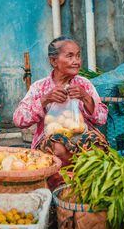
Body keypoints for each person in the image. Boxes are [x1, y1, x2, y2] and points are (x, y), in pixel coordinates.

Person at [13, 36, 108, 167]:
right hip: (51, 142)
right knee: (59, 147)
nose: (76, 61)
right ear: (53, 61)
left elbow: (102, 119)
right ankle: (65, 179)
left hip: (82, 138)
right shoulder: (40, 87)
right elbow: (19, 119)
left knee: (98, 146)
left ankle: (84, 177)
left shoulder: (84, 85)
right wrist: (45, 99)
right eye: (70, 56)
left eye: (78, 56)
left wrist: (85, 97)